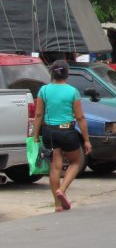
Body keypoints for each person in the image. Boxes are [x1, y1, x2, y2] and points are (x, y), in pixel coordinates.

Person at [33, 60, 91, 212]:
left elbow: (38, 114)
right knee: (76, 161)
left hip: (48, 132)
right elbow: (80, 118)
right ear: (67, 74)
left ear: (52, 73)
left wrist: (35, 136)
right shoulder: (72, 91)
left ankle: (57, 205)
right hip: (66, 131)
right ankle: (62, 189)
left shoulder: (43, 90)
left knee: (55, 167)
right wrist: (86, 140)